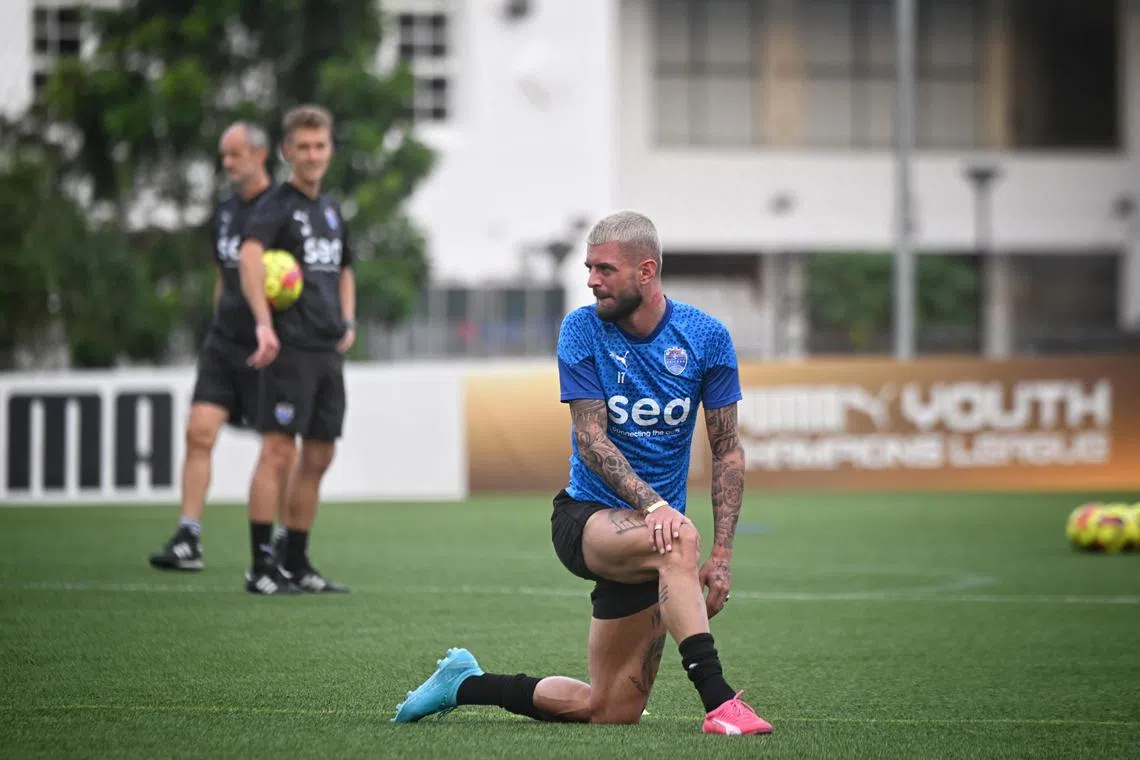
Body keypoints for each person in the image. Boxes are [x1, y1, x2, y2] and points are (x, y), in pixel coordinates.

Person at [392, 211, 771, 735]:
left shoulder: (706, 336)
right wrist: (657, 507)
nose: (591, 279)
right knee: (679, 539)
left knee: (611, 710)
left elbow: (728, 451)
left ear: (647, 270)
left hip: (653, 533)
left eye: (604, 269)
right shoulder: (582, 328)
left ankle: (464, 684)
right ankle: (720, 703)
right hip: (585, 518)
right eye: (589, 267)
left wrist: (724, 555)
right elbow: (592, 441)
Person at [148, 121, 285, 573]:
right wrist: (216, 320)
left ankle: (278, 542)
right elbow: (220, 276)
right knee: (199, 432)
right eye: (224, 155)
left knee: (278, 446)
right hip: (223, 342)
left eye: (235, 154)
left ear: (260, 155)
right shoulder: (225, 212)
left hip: (270, 345)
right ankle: (189, 535)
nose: (227, 163)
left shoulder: (284, 209)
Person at [237, 104, 354, 595]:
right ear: (287, 151)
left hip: (327, 349)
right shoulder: (275, 204)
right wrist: (263, 324)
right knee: (278, 452)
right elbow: (249, 253)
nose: (311, 154)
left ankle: (296, 560)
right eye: (302, 146)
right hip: (289, 348)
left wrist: (348, 319)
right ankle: (261, 567)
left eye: (319, 145)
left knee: (320, 455)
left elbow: (345, 267)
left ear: (329, 150)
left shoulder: (330, 209)